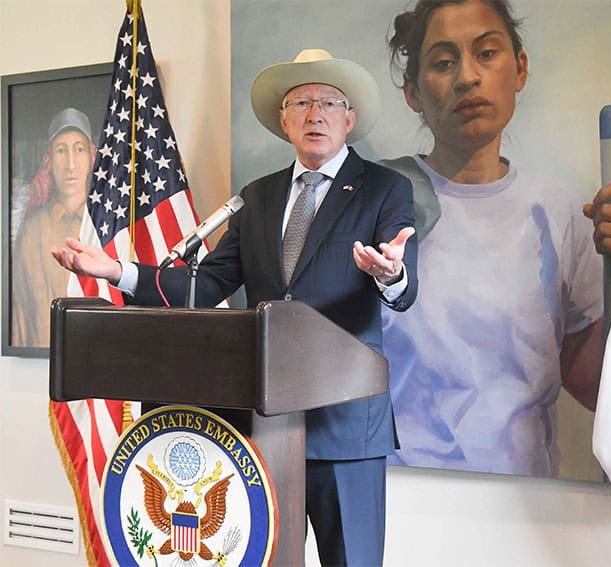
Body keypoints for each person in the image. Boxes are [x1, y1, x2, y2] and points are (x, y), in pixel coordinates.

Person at [52, 49, 418, 566]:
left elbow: (404, 288)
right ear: (284, 120)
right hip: (262, 426)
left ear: (349, 119)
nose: (316, 114)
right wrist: (118, 272)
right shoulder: (258, 196)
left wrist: (391, 274)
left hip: (346, 426)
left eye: (329, 102)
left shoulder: (385, 189)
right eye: (302, 103)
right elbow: (208, 282)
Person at [380, 0, 611, 477]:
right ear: (413, 92)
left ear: (519, 69)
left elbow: (592, 385)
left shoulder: (559, 213)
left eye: (486, 53)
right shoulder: (377, 203)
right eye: (443, 62)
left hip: (524, 505)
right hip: (397, 495)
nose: (467, 77)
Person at [12, 108, 95, 348]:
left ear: (90, 156)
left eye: (79, 149)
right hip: (39, 369)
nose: (70, 164)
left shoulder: (106, 228)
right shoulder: (31, 231)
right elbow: (18, 313)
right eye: (61, 151)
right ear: (50, 158)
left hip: (100, 369)